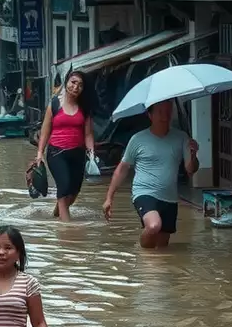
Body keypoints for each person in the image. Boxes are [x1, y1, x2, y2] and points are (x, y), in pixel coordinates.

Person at [102, 100, 199, 249]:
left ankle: (151, 268)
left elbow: (190, 169)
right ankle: (142, 253)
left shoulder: (181, 137)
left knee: (162, 247)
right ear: (150, 115)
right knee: (154, 226)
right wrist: (109, 198)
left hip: (170, 198)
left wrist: (193, 155)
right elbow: (122, 169)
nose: (164, 115)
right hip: (144, 192)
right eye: (160, 111)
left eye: (168, 111)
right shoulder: (138, 139)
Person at [35, 70, 95, 221]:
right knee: (64, 186)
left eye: (80, 85)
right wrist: (40, 153)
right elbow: (45, 132)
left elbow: (88, 134)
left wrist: (92, 154)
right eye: (73, 82)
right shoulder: (54, 104)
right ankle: (67, 230)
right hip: (56, 153)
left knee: (73, 193)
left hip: (78, 154)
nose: (76, 87)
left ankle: (58, 211)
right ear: (67, 82)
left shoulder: (85, 108)